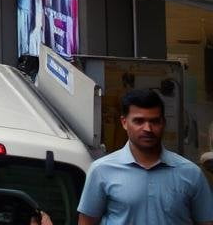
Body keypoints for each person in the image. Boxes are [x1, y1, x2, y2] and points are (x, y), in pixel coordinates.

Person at [78, 88, 213, 225]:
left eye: (154, 121)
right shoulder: (101, 170)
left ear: (163, 123)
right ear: (124, 122)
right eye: (139, 121)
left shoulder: (190, 173)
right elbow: (86, 222)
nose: (148, 129)